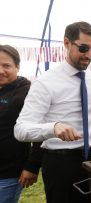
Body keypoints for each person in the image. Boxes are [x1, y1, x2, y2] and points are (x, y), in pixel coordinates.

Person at [14, 21, 91, 203]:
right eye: (83, 48)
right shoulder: (45, 82)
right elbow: (20, 130)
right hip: (61, 163)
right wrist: (53, 127)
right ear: (67, 43)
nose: (89, 55)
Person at [0, 45, 42, 203]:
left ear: (17, 66)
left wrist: (32, 166)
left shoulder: (27, 92)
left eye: (6, 66)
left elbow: (39, 131)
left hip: (8, 173)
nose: (0, 70)